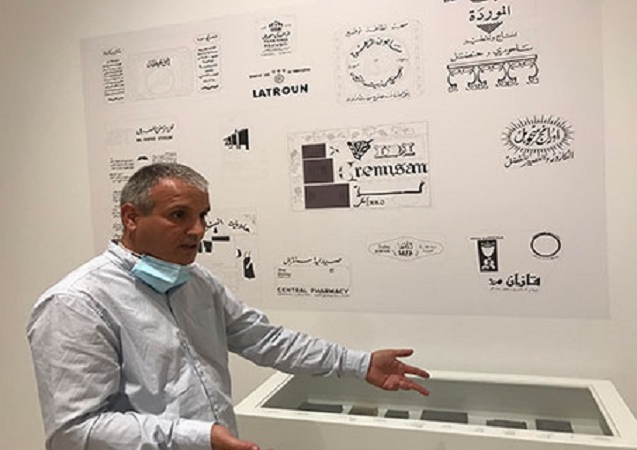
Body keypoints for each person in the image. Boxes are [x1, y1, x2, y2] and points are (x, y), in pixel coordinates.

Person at [27, 162, 430, 450]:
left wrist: (358, 364)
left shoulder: (196, 282)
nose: (197, 230)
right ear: (131, 218)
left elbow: (266, 340)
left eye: (202, 216)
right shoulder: (76, 304)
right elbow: (74, 432)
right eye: (179, 215)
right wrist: (197, 437)